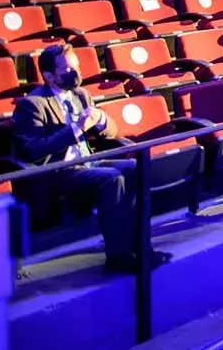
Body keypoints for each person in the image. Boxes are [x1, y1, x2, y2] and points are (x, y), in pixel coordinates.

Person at [13, 43, 169, 272]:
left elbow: (112, 132)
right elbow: (32, 151)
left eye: (76, 66)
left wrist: (101, 120)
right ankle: (118, 257)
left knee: (137, 168)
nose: (74, 73)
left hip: (88, 161)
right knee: (111, 178)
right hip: (60, 171)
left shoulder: (80, 94)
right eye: (66, 70)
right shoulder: (32, 104)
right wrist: (75, 130)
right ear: (48, 76)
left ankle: (142, 248)